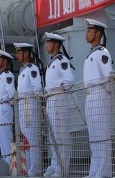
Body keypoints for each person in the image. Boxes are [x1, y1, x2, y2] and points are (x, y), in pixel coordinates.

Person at [83, 18, 113, 178]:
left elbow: (109, 78)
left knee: (102, 135)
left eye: (90, 30)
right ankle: (94, 171)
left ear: (98, 33)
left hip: (100, 94)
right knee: (94, 137)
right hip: (90, 95)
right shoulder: (92, 54)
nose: (87, 33)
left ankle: (104, 172)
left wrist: (104, 95)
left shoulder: (102, 53)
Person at [43, 32, 75, 177]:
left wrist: (58, 90)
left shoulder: (62, 60)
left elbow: (69, 81)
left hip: (59, 98)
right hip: (51, 98)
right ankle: (55, 164)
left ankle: (62, 169)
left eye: (49, 42)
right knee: (53, 135)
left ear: (56, 44)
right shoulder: (52, 61)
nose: (46, 45)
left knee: (61, 135)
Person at [15, 43, 43, 176]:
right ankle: (30, 167)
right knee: (26, 138)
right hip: (22, 104)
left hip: (29, 104)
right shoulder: (23, 70)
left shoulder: (32, 69)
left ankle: (35, 168)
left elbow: (37, 88)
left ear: (27, 53)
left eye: (20, 52)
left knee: (32, 137)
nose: (17, 55)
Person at [0, 49, 16, 164]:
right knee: (1, 140)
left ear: (5, 61)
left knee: (6, 139)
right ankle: (5, 164)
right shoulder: (0, 76)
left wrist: (5, 105)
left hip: (4, 108)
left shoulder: (8, 75)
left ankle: (9, 165)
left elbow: (11, 94)